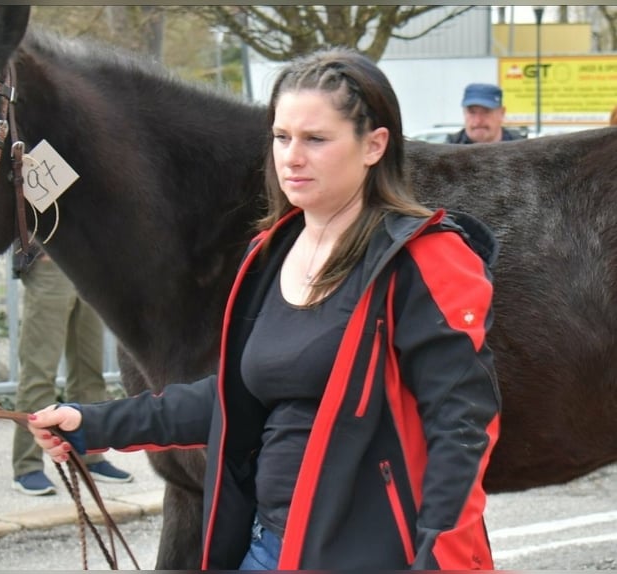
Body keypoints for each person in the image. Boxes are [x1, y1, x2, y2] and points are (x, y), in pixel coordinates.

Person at [28, 47, 501, 569]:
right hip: (265, 546)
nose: (291, 157)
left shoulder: (425, 258)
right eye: (281, 137)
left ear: (374, 146)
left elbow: (461, 430)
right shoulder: (270, 253)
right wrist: (94, 424)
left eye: (316, 139)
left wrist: (441, 562)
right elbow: (237, 394)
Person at [11, 243, 133, 495]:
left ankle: (91, 457)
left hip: (89, 264)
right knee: (40, 370)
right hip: (50, 263)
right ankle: (27, 465)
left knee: (90, 370)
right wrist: (37, 247)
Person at [448, 82, 525, 143]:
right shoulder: (448, 153)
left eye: (486, 112)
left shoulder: (522, 150)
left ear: (502, 113)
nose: (478, 121)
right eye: (472, 112)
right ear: (464, 113)